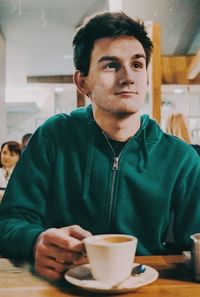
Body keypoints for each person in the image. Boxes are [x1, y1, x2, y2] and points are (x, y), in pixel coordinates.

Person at [0, 11, 199, 281]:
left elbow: (194, 242)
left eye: (137, 65)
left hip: (148, 287)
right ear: (82, 82)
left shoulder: (181, 159)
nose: (128, 77)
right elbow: (8, 221)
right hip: (61, 285)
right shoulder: (53, 137)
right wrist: (35, 240)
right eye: (111, 65)